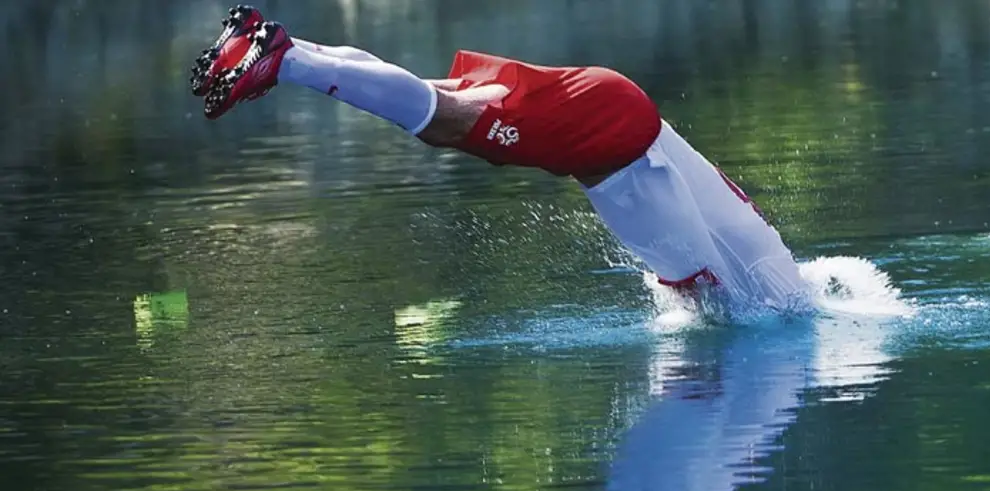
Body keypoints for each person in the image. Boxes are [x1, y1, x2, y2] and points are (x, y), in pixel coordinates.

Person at [190, 5, 810, 313]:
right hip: (609, 134)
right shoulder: (753, 294)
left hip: (618, 112)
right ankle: (288, 61)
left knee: (438, 103)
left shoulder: (765, 256)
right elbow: (701, 304)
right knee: (445, 125)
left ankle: (280, 42)